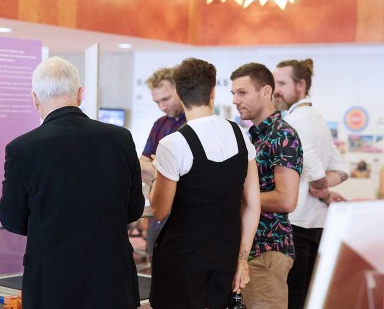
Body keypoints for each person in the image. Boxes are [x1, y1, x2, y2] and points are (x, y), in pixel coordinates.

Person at [0, 56, 145, 309]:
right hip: (112, 278)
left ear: (35, 98)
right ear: (80, 94)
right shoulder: (120, 138)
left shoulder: (22, 149)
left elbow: (12, 218)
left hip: (52, 281)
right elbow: (133, 209)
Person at [148, 58, 261, 309]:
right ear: (212, 92)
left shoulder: (173, 144)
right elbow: (253, 204)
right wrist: (242, 259)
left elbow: (159, 210)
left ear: (178, 93)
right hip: (226, 256)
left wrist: (158, 172)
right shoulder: (240, 135)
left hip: (181, 259)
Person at [273, 58, 349, 309]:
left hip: (297, 223)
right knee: (307, 296)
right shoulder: (315, 116)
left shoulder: (294, 121)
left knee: (294, 297)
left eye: (282, 83)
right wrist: (325, 188)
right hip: (317, 223)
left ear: (301, 85)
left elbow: (310, 162)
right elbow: (342, 170)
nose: (276, 90)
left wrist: (322, 188)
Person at [230, 62, 303, 309]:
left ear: (265, 92)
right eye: (233, 94)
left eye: (242, 93)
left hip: (268, 251)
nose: (235, 100)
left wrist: (237, 198)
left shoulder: (283, 135)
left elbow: (286, 199)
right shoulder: (256, 136)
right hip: (251, 251)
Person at [139, 68, 186, 257]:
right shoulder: (160, 124)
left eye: (165, 99)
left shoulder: (192, 124)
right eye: (157, 102)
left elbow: (180, 175)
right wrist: (158, 169)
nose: (161, 106)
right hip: (158, 211)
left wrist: (157, 168)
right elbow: (143, 164)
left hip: (182, 214)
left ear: (180, 90)